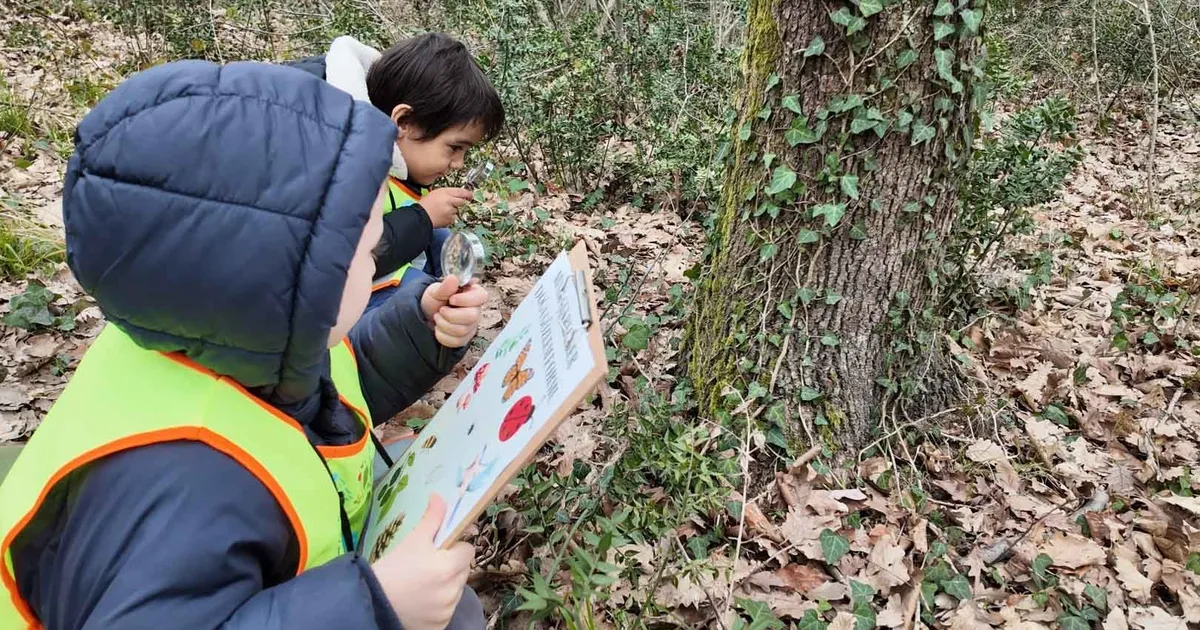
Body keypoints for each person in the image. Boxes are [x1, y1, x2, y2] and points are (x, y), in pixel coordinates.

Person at [0, 59, 489, 630]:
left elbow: (318, 403)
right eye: (364, 243)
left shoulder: (221, 332)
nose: (382, 240)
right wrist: (372, 607)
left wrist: (418, 327)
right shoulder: (185, 480)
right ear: (282, 279)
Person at [287, 33, 504, 303]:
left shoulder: (385, 142)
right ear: (403, 122)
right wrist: (422, 217)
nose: (458, 163)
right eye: (454, 147)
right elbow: (340, 258)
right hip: (314, 297)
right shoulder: (333, 153)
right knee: (418, 291)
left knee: (440, 239)